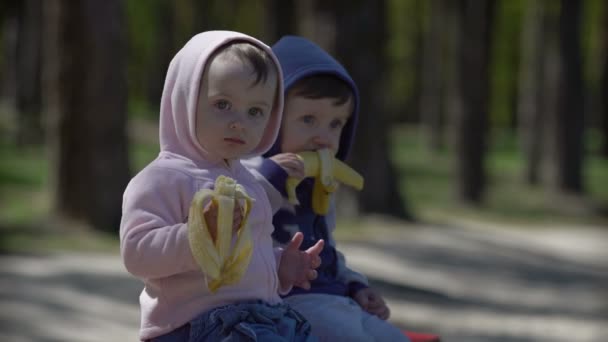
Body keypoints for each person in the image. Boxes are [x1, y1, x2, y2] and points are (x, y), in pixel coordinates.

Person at [120, 31, 324, 342]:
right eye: (223, 104)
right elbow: (136, 254)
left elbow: (246, 253)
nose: (239, 122)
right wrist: (200, 234)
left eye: (255, 111)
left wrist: (279, 266)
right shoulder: (163, 178)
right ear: (185, 100)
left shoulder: (250, 182)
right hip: (193, 327)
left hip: (258, 317)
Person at [245, 36, 410, 341]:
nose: (323, 137)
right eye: (308, 119)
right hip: (285, 305)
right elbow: (239, 235)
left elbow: (327, 247)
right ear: (270, 119)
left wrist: (355, 284)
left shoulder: (318, 184)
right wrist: (270, 178)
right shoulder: (248, 173)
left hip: (334, 299)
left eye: (335, 124)